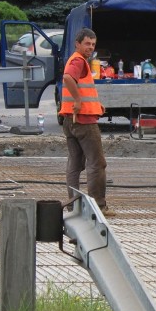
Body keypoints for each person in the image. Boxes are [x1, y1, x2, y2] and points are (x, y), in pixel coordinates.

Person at [59, 28, 112, 215]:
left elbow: (81, 87)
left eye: (93, 44)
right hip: (84, 122)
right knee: (97, 164)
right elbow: (67, 78)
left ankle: (73, 204)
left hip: (69, 120)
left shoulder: (76, 60)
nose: (90, 47)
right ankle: (98, 207)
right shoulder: (78, 61)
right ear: (78, 44)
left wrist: (96, 106)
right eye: (87, 43)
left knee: (75, 164)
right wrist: (79, 101)